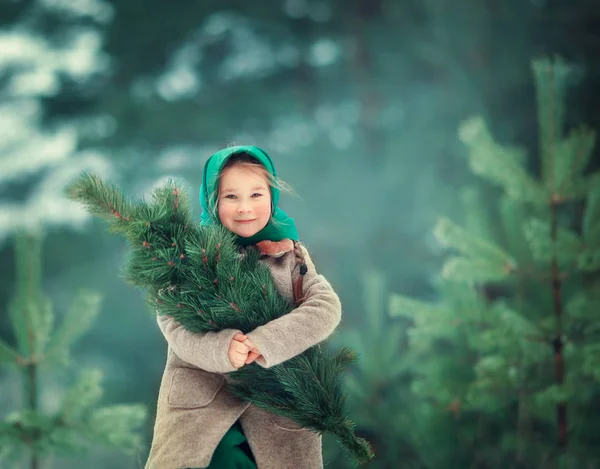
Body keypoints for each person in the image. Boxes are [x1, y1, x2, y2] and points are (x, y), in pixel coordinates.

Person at [145, 145, 342, 469]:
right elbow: (173, 322)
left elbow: (324, 307)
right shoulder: (190, 259)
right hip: (203, 406)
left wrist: (264, 341)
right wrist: (221, 348)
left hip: (277, 410)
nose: (245, 208)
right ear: (212, 200)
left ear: (272, 196)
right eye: (231, 197)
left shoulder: (290, 256)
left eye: (256, 194)